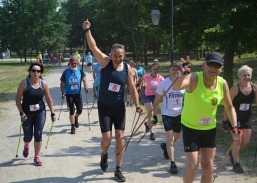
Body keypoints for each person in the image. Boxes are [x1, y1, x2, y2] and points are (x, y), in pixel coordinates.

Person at [83, 19, 143, 182]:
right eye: (115, 56)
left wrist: (137, 105)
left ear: (124, 56)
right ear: (111, 54)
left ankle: (118, 169)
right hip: (104, 106)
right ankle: (104, 154)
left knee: (120, 137)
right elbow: (93, 47)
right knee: (107, 139)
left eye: (120, 56)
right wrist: (88, 31)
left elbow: (132, 88)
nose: (117, 58)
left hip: (119, 107)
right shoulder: (105, 62)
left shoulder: (127, 69)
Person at [172, 52, 240, 183]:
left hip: (209, 129)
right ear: (204, 65)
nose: (213, 69)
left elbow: (230, 107)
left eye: (217, 66)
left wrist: (235, 127)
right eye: (210, 65)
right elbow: (177, 86)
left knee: (208, 167)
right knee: (192, 166)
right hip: (190, 128)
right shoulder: (194, 78)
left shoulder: (222, 83)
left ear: (222, 69)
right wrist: (184, 73)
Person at [16, 62, 56, 166]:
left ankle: (36, 157)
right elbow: (18, 100)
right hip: (26, 113)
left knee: (38, 134)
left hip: (40, 112)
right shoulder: (24, 83)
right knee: (28, 137)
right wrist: (21, 112)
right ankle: (26, 145)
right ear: (29, 72)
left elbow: (49, 99)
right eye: (33, 70)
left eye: (38, 71)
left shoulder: (43, 84)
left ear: (41, 73)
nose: (36, 73)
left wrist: (52, 113)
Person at [152, 61, 185, 174]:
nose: (175, 71)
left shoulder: (183, 83)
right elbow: (157, 99)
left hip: (179, 114)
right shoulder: (164, 83)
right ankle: (172, 163)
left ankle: (164, 146)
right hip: (167, 114)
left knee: (176, 137)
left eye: (177, 69)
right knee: (170, 139)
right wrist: (154, 115)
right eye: (173, 69)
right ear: (169, 69)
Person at [224, 65, 257, 173]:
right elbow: (227, 106)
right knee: (237, 140)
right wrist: (225, 121)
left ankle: (232, 153)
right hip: (234, 118)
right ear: (239, 76)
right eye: (244, 75)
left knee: (246, 141)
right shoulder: (235, 88)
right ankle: (236, 163)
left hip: (246, 118)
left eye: (249, 75)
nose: (247, 77)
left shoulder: (254, 87)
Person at [60, 57, 89, 134]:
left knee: (80, 110)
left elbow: (85, 80)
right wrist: (63, 92)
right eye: (72, 63)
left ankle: (76, 117)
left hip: (77, 94)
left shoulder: (80, 71)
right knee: (71, 110)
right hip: (69, 94)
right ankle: (72, 126)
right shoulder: (65, 72)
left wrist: (86, 87)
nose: (74, 65)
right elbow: (62, 84)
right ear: (69, 64)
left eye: (75, 63)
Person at [138, 62, 164, 140]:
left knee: (155, 116)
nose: (155, 71)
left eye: (156, 69)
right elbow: (140, 80)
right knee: (150, 114)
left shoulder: (161, 78)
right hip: (148, 96)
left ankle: (147, 124)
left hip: (156, 97)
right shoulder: (147, 76)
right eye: (153, 69)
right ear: (151, 69)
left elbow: (165, 86)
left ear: (158, 70)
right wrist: (138, 86)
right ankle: (151, 133)